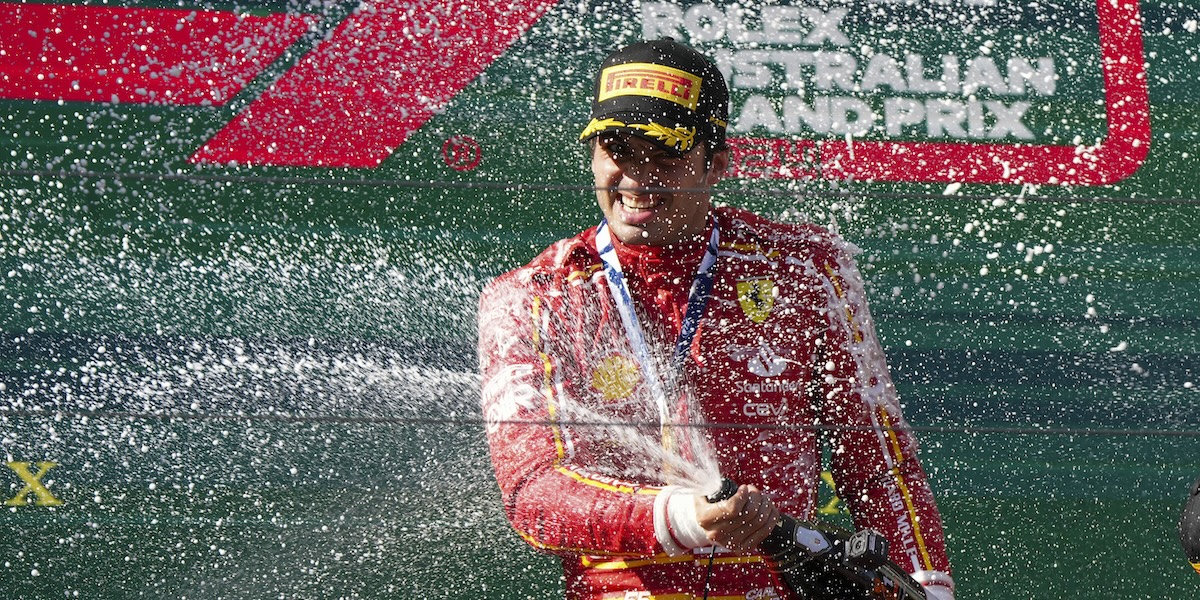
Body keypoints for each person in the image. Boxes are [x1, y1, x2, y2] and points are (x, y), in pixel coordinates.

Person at [478, 38, 955, 600]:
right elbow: (533, 490)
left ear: (718, 161)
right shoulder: (533, 296)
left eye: (666, 154)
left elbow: (877, 459)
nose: (637, 177)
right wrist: (684, 517)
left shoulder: (806, 269)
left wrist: (930, 587)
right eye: (618, 150)